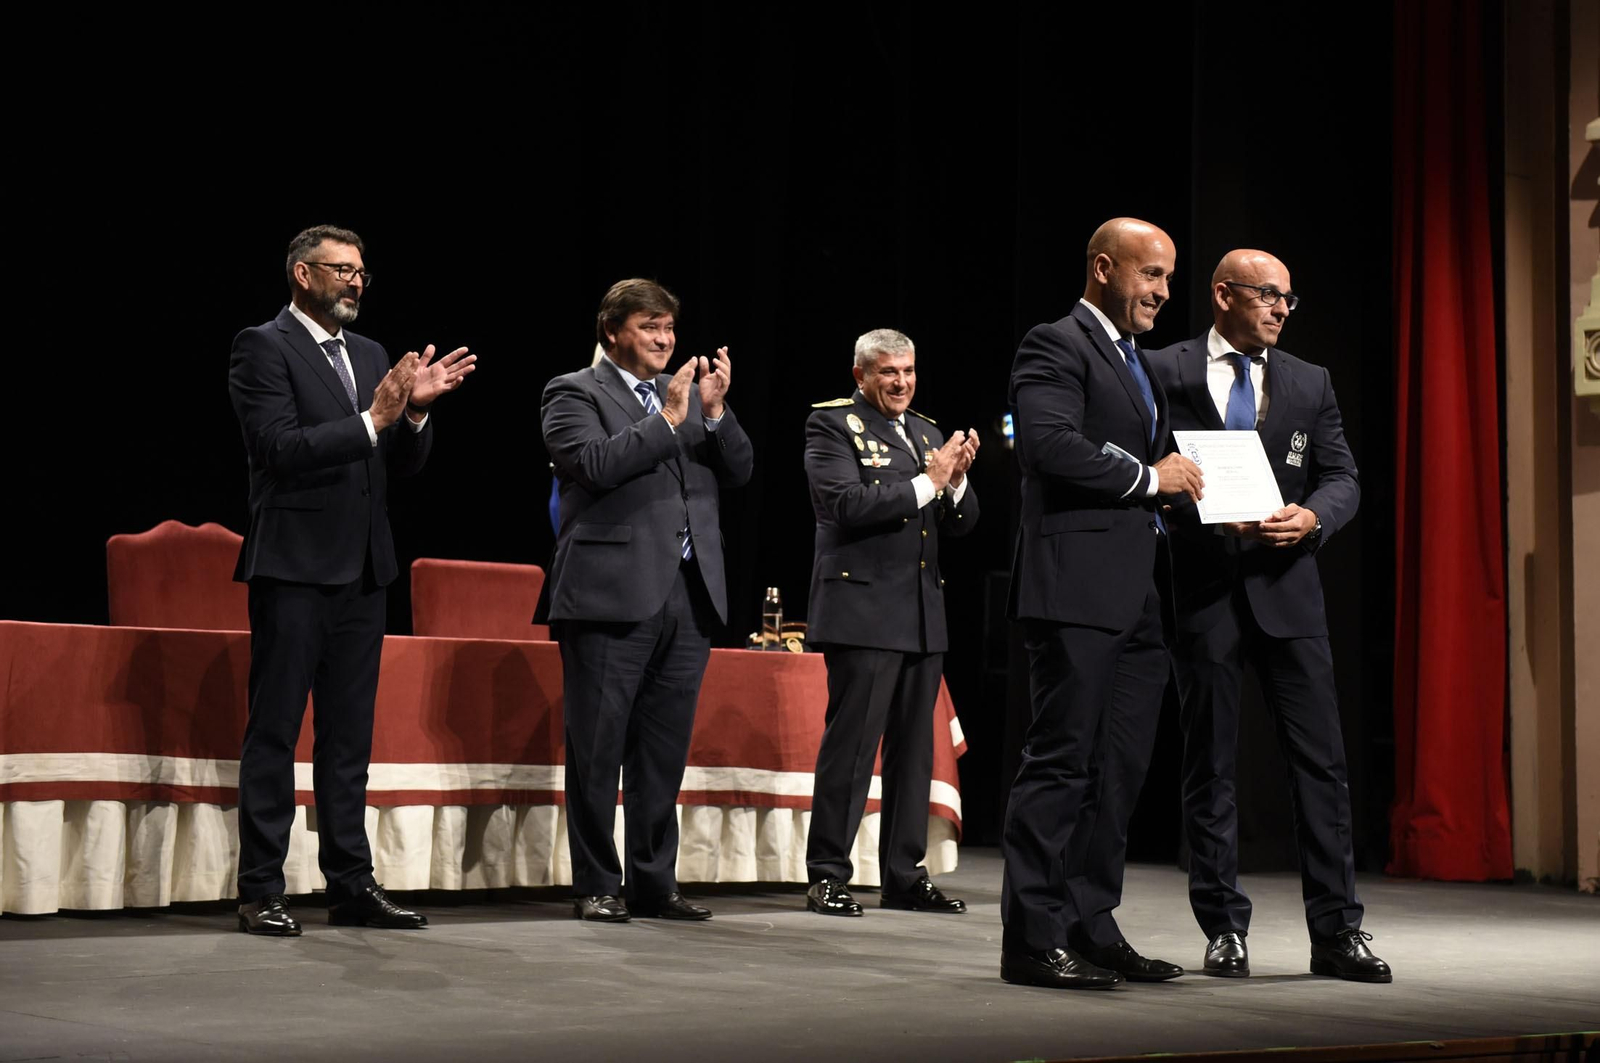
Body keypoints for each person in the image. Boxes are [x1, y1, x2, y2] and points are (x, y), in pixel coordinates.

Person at [1146, 249, 1390, 983]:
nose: (1283, 309)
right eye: (1268, 295)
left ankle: (1337, 929)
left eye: (1289, 298)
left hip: (1289, 590)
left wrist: (1313, 515)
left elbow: (1342, 474)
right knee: (1210, 763)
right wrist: (1174, 496)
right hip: (1205, 588)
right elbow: (1141, 464)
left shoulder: (1309, 381)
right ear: (1223, 294)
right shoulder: (1165, 370)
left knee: (1322, 763)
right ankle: (1223, 926)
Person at [228, 224, 475, 935]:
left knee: (347, 738)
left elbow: (393, 464)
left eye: (362, 271)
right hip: (294, 567)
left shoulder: (370, 354)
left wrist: (416, 413)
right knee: (274, 731)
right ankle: (260, 888)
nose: (356, 281)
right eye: (342, 270)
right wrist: (374, 419)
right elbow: (277, 448)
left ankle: (350, 883)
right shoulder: (262, 346)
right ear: (303, 275)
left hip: (365, 571)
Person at [1000, 218, 1203, 989]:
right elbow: (1047, 443)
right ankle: (1032, 936)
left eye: (1167, 279)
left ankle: (1090, 921)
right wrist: (1154, 478)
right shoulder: (1055, 342)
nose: (1160, 292)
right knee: (1062, 761)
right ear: (1103, 267)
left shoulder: (1133, 361)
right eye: (1150, 275)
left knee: (1117, 767)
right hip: (1074, 584)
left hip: (1135, 593)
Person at [540, 278, 754, 922]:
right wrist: (668, 420)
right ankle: (597, 883)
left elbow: (740, 470)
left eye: (668, 328)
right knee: (598, 748)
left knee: (663, 750)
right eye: (648, 327)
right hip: (608, 595)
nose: (664, 340)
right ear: (613, 332)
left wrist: (714, 414)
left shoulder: (686, 397)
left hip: (688, 594)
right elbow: (595, 465)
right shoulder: (572, 391)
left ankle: (655, 883)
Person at [801, 329, 980, 918]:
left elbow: (962, 524)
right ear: (861, 376)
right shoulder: (831, 427)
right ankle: (828, 873)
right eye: (887, 373)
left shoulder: (927, 431)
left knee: (914, 755)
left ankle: (904, 874)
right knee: (852, 751)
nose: (901, 382)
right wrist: (929, 482)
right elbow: (845, 505)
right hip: (862, 613)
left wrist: (954, 483)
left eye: (908, 371)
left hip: (922, 614)